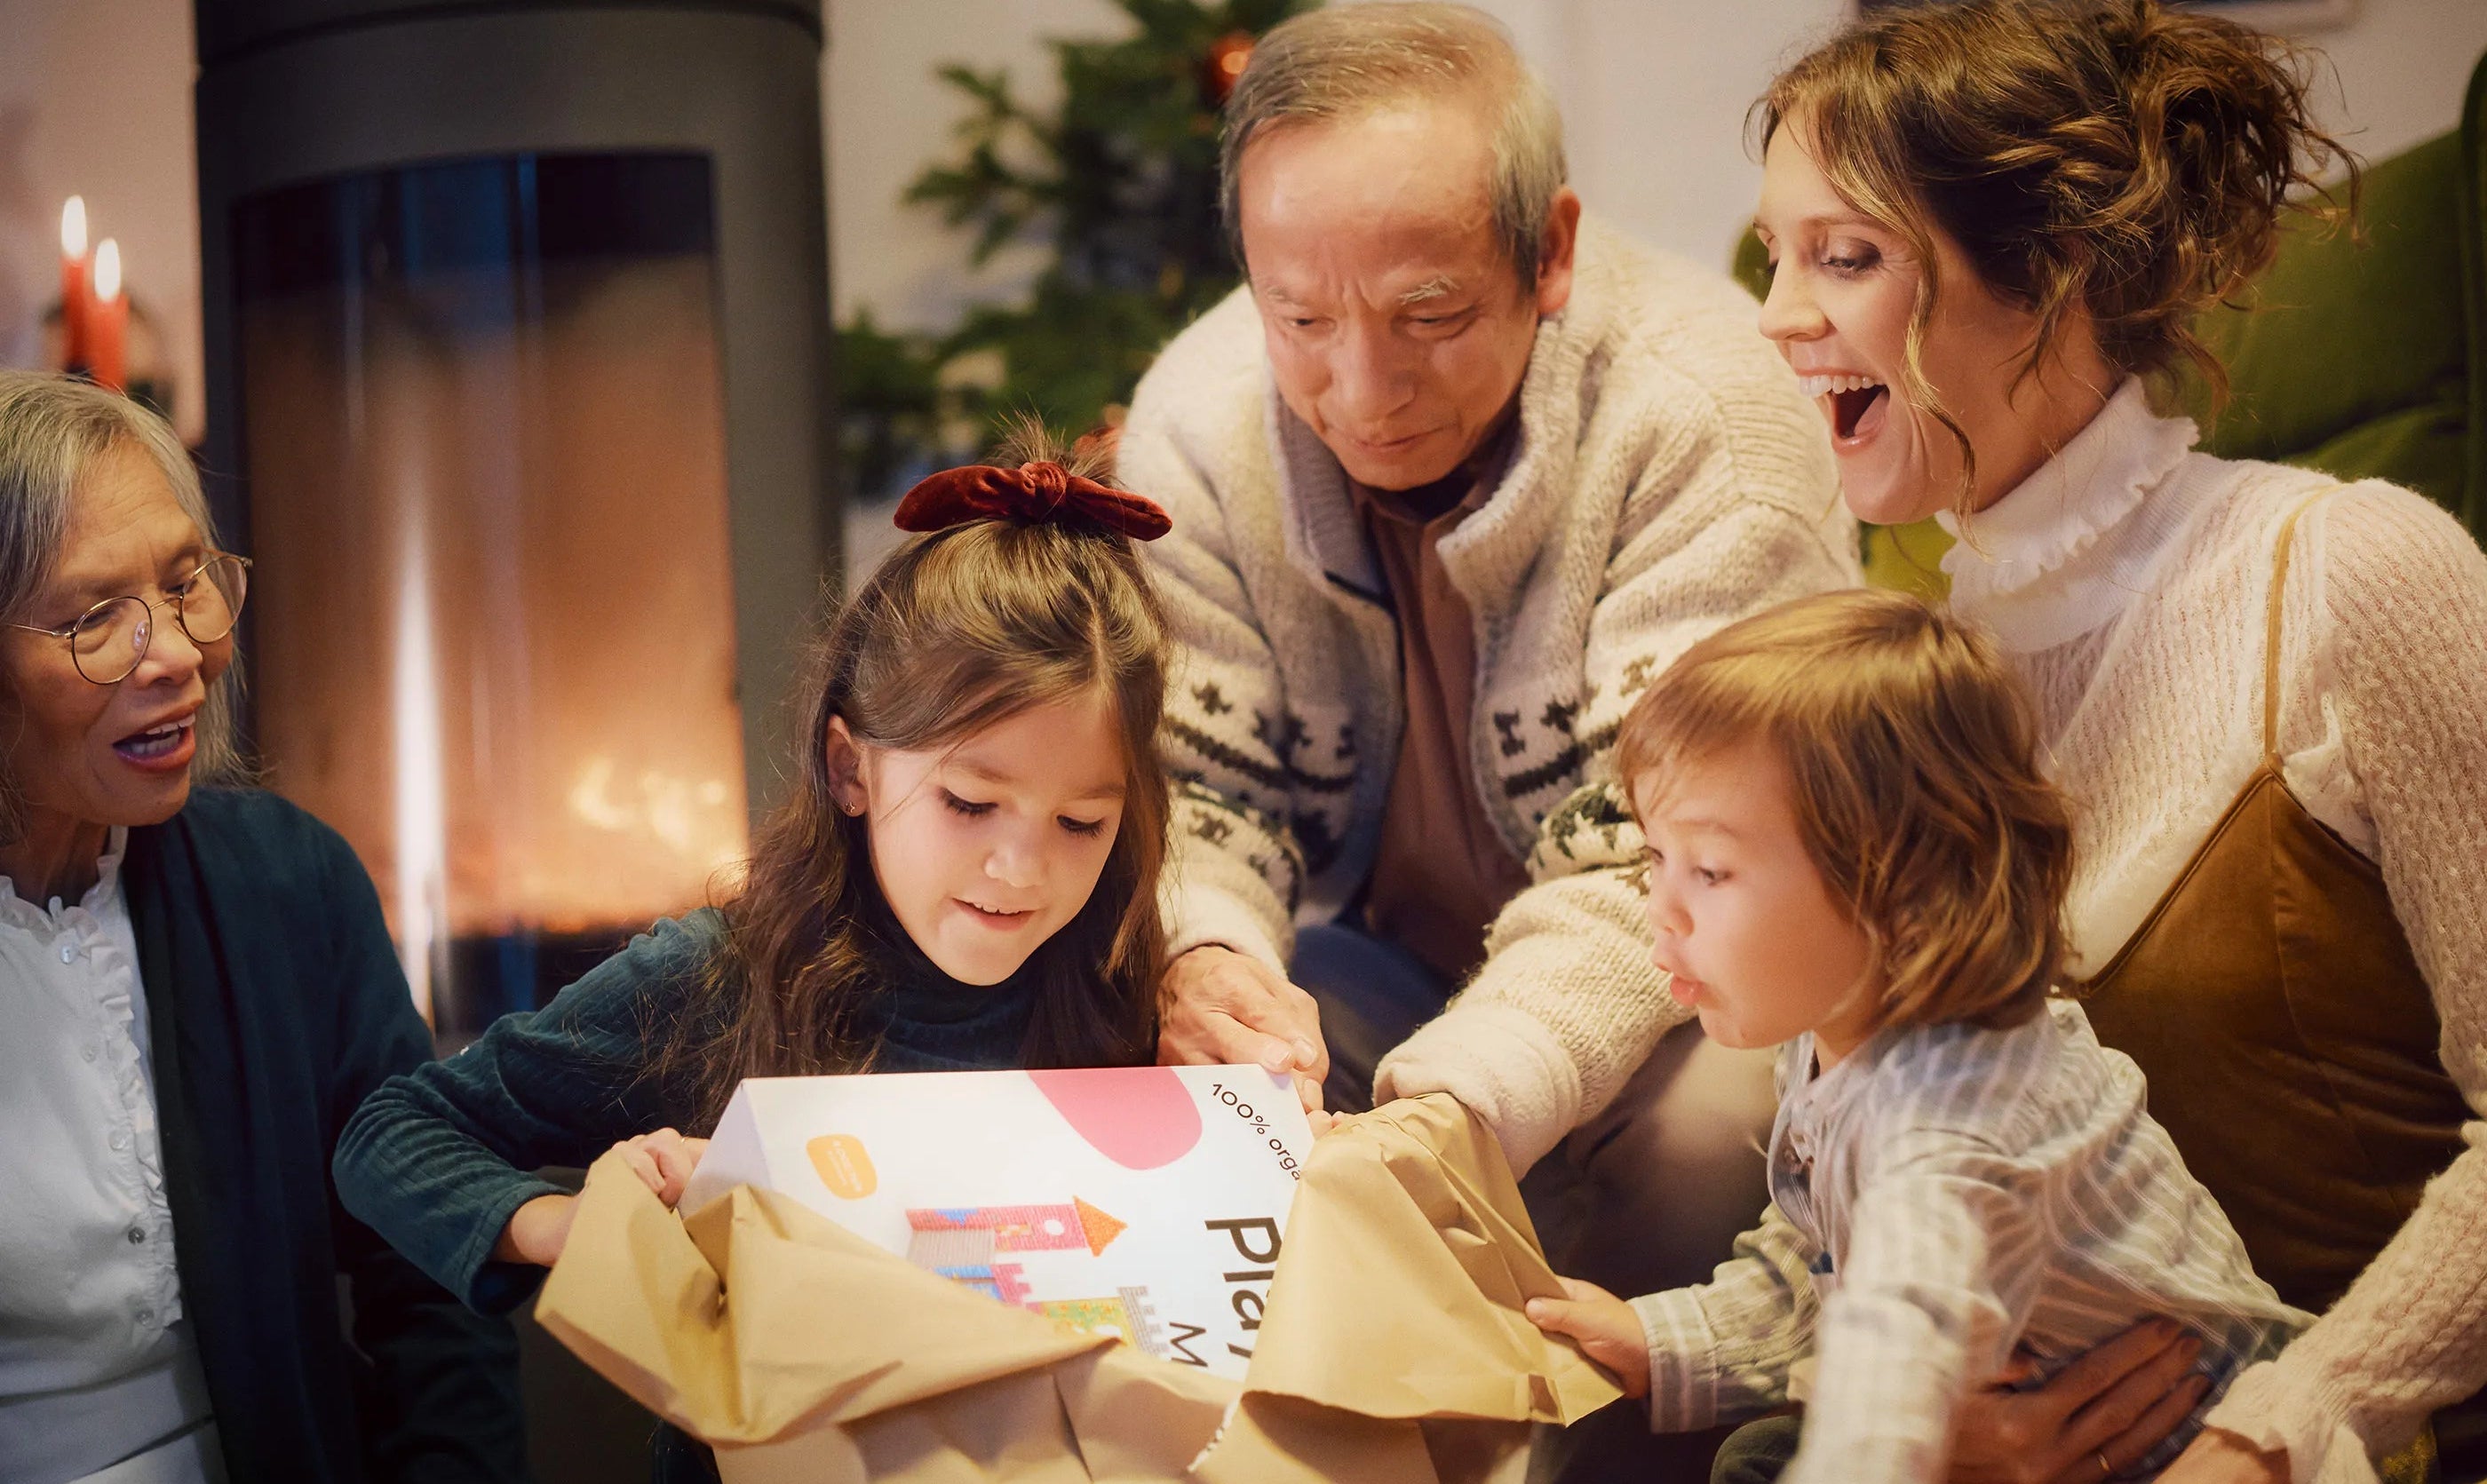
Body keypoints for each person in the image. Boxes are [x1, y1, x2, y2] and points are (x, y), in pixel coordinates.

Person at [1746, 0, 2487, 1475]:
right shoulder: (1899, 682)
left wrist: (2279, 1429)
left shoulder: (2356, 576)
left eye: (1846, 256)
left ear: (2058, 273)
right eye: (1776, 253)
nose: (1776, 314)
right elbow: (1864, 1162)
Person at [1119, 1, 1856, 1355]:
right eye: (1301, 317)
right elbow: (1196, 798)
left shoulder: (1710, 421)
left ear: (1550, 250)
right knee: (1162, 1064)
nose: (1365, 387)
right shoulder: (1195, 425)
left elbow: (1678, 862)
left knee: (1705, 1137)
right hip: (1370, 960)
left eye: (1430, 314)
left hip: (1717, 961)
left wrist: (1469, 1093)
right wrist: (1211, 956)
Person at [332, 440, 1176, 1481]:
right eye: (968, 803)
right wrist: (571, 1227)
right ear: (849, 767)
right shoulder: (719, 979)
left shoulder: (1130, 986)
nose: (1020, 868)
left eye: (1081, 823)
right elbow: (392, 1133)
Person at [1522, 588, 2307, 1482]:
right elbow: (1820, 1268)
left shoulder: (1952, 1126)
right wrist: (1658, 1343)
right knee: (1756, 1457)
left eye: (1708, 869)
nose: (1659, 907)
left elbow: (1894, 1339)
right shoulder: (1836, 1031)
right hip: (2022, 1431)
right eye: (1654, 858)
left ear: (1896, 891)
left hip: (2202, 1458)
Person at [0, 372, 528, 1484]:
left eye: (189, 582)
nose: (182, 654)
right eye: (97, 617)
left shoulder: (289, 887)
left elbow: (421, 1266)